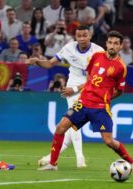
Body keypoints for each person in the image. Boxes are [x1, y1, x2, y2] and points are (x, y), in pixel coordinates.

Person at [30, 30, 133, 173]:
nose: (112, 46)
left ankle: (132, 162)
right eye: (110, 42)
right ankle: (53, 163)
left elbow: (120, 90)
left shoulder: (121, 67)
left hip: (101, 107)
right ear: (106, 43)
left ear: (121, 46)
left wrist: (105, 99)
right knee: (60, 128)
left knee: (109, 141)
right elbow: (90, 76)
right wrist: (86, 90)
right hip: (83, 102)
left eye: (116, 43)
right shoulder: (96, 56)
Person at [27, 25, 104, 168]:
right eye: (79, 36)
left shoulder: (99, 52)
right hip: (73, 88)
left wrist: (75, 88)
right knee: (74, 121)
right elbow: (50, 63)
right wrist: (37, 61)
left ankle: (49, 158)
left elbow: (97, 78)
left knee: (69, 129)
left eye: (84, 35)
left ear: (90, 35)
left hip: (91, 88)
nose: (81, 39)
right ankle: (80, 158)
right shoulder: (69, 48)